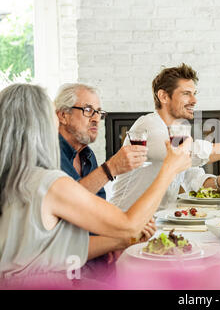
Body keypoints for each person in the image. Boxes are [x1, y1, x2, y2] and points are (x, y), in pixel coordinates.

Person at [0, 83, 192, 288]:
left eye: (98, 112)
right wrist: (169, 168)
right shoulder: (49, 182)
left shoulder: (16, 180)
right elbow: (129, 224)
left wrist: (122, 240)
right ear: (40, 125)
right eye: (51, 116)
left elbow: (51, 249)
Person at [111, 64, 220, 211]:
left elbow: (192, 177)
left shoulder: (179, 131)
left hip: (158, 224)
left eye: (194, 94)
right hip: (124, 225)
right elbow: (187, 155)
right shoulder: (147, 127)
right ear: (164, 96)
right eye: (186, 94)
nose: (194, 101)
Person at [54, 83, 157, 280]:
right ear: (63, 115)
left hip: (99, 261)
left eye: (99, 112)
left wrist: (124, 233)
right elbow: (67, 205)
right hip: (69, 271)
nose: (96, 118)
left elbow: (97, 209)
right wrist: (111, 169)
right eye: (87, 110)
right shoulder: (49, 155)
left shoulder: (87, 155)